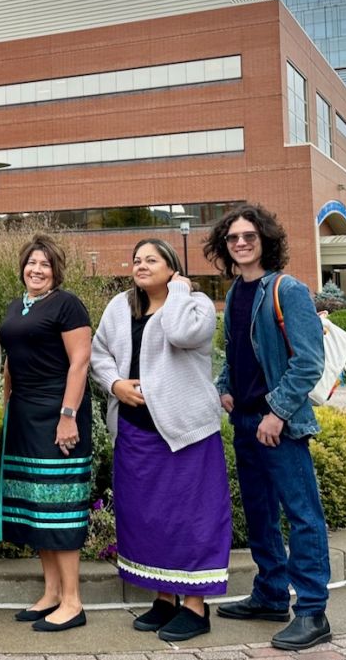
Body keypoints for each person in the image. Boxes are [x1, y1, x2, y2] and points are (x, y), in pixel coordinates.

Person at [204, 204, 333, 651]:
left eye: (249, 237)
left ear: (265, 241)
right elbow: (234, 351)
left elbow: (309, 362)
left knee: (301, 516)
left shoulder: (287, 289)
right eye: (233, 238)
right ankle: (271, 594)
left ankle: (313, 612)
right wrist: (225, 386)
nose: (240, 243)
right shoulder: (238, 292)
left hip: (279, 426)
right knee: (260, 515)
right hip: (245, 421)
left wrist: (276, 413)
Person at [89, 238, 229, 643]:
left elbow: (182, 334)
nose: (141, 265)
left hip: (186, 432)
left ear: (172, 266)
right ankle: (164, 597)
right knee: (147, 517)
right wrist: (115, 384)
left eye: (152, 259)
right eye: (136, 259)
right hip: (135, 430)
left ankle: (196, 606)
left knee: (192, 518)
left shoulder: (196, 305)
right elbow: (100, 354)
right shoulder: (119, 307)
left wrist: (179, 291)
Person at [0, 233, 93, 633]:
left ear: (56, 270)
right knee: (37, 506)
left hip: (58, 412)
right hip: (23, 414)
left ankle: (73, 601)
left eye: (45, 265)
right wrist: (6, 407)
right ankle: (51, 593)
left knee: (60, 507)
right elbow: (10, 361)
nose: (36, 270)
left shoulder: (67, 304)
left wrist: (67, 415)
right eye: (31, 263)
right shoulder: (17, 305)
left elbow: (80, 362)